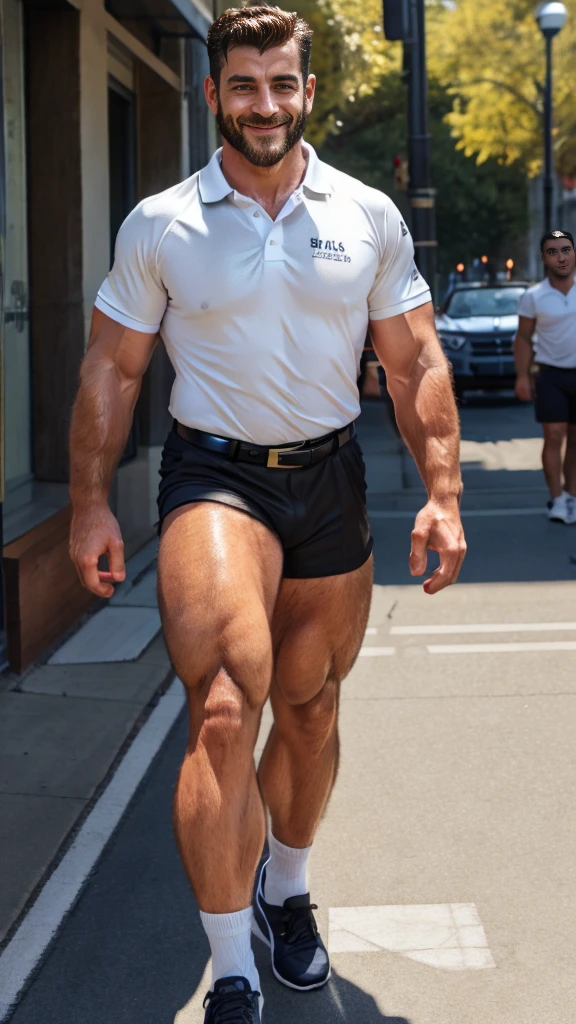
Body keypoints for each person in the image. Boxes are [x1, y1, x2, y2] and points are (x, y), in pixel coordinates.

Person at [68, 7, 466, 1022]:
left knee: (310, 702)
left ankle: (284, 892)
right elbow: (113, 369)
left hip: (329, 480)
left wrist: (446, 494)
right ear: (213, 97)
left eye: (282, 85)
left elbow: (416, 357)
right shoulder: (162, 222)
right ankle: (231, 965)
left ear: (308, 94)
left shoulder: (366, 213)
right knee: (225, 707)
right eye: (244, 86)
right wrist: (85, 507)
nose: (265, 106)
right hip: (216, 480)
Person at [515, 230, 576, 524]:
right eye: (553, 251)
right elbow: (524, 338)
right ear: (544, 259)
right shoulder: (533, 296)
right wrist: (522, 376)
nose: (561, 257)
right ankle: (558, 500)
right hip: (550, 375)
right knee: (554, 436)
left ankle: (572, 496)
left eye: (566, 250)